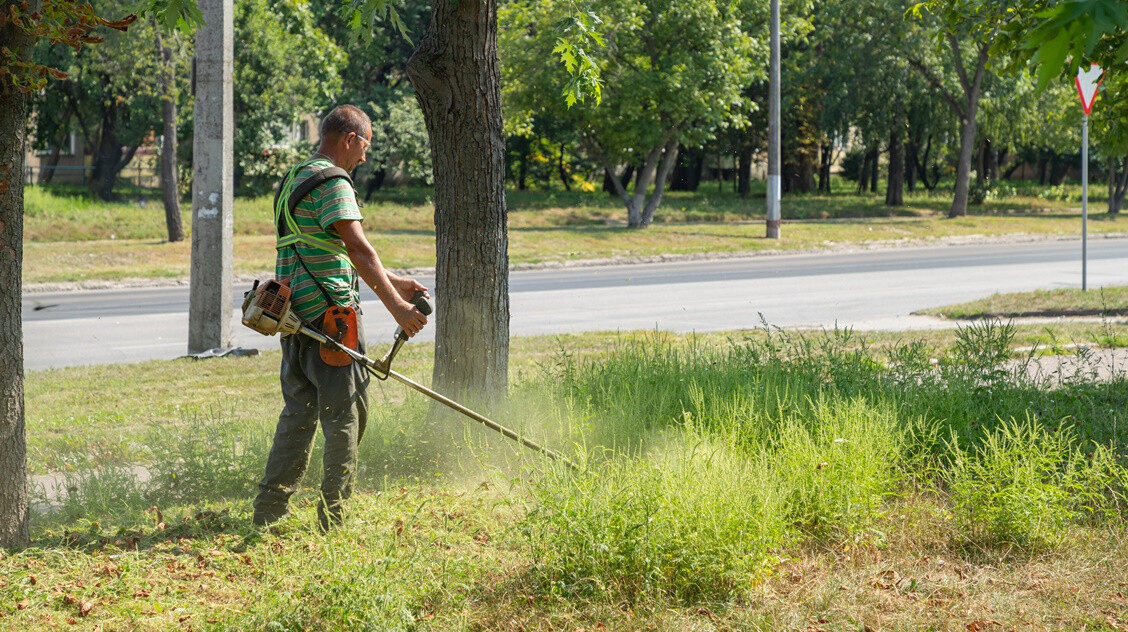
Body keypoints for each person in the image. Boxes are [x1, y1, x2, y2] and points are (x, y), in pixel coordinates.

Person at [253, 105, 429, 530]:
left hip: (292, 319)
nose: (365, 158)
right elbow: (357, 249)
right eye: (365, 146)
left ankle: (268, 513)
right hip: (332, 321)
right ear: (350, 139)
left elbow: (321, 244)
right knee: (347, 416)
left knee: (298, 416)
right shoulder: (335, 181)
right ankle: (335, 518)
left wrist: (396, 280)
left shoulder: (295, 177)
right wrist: (400, 310)